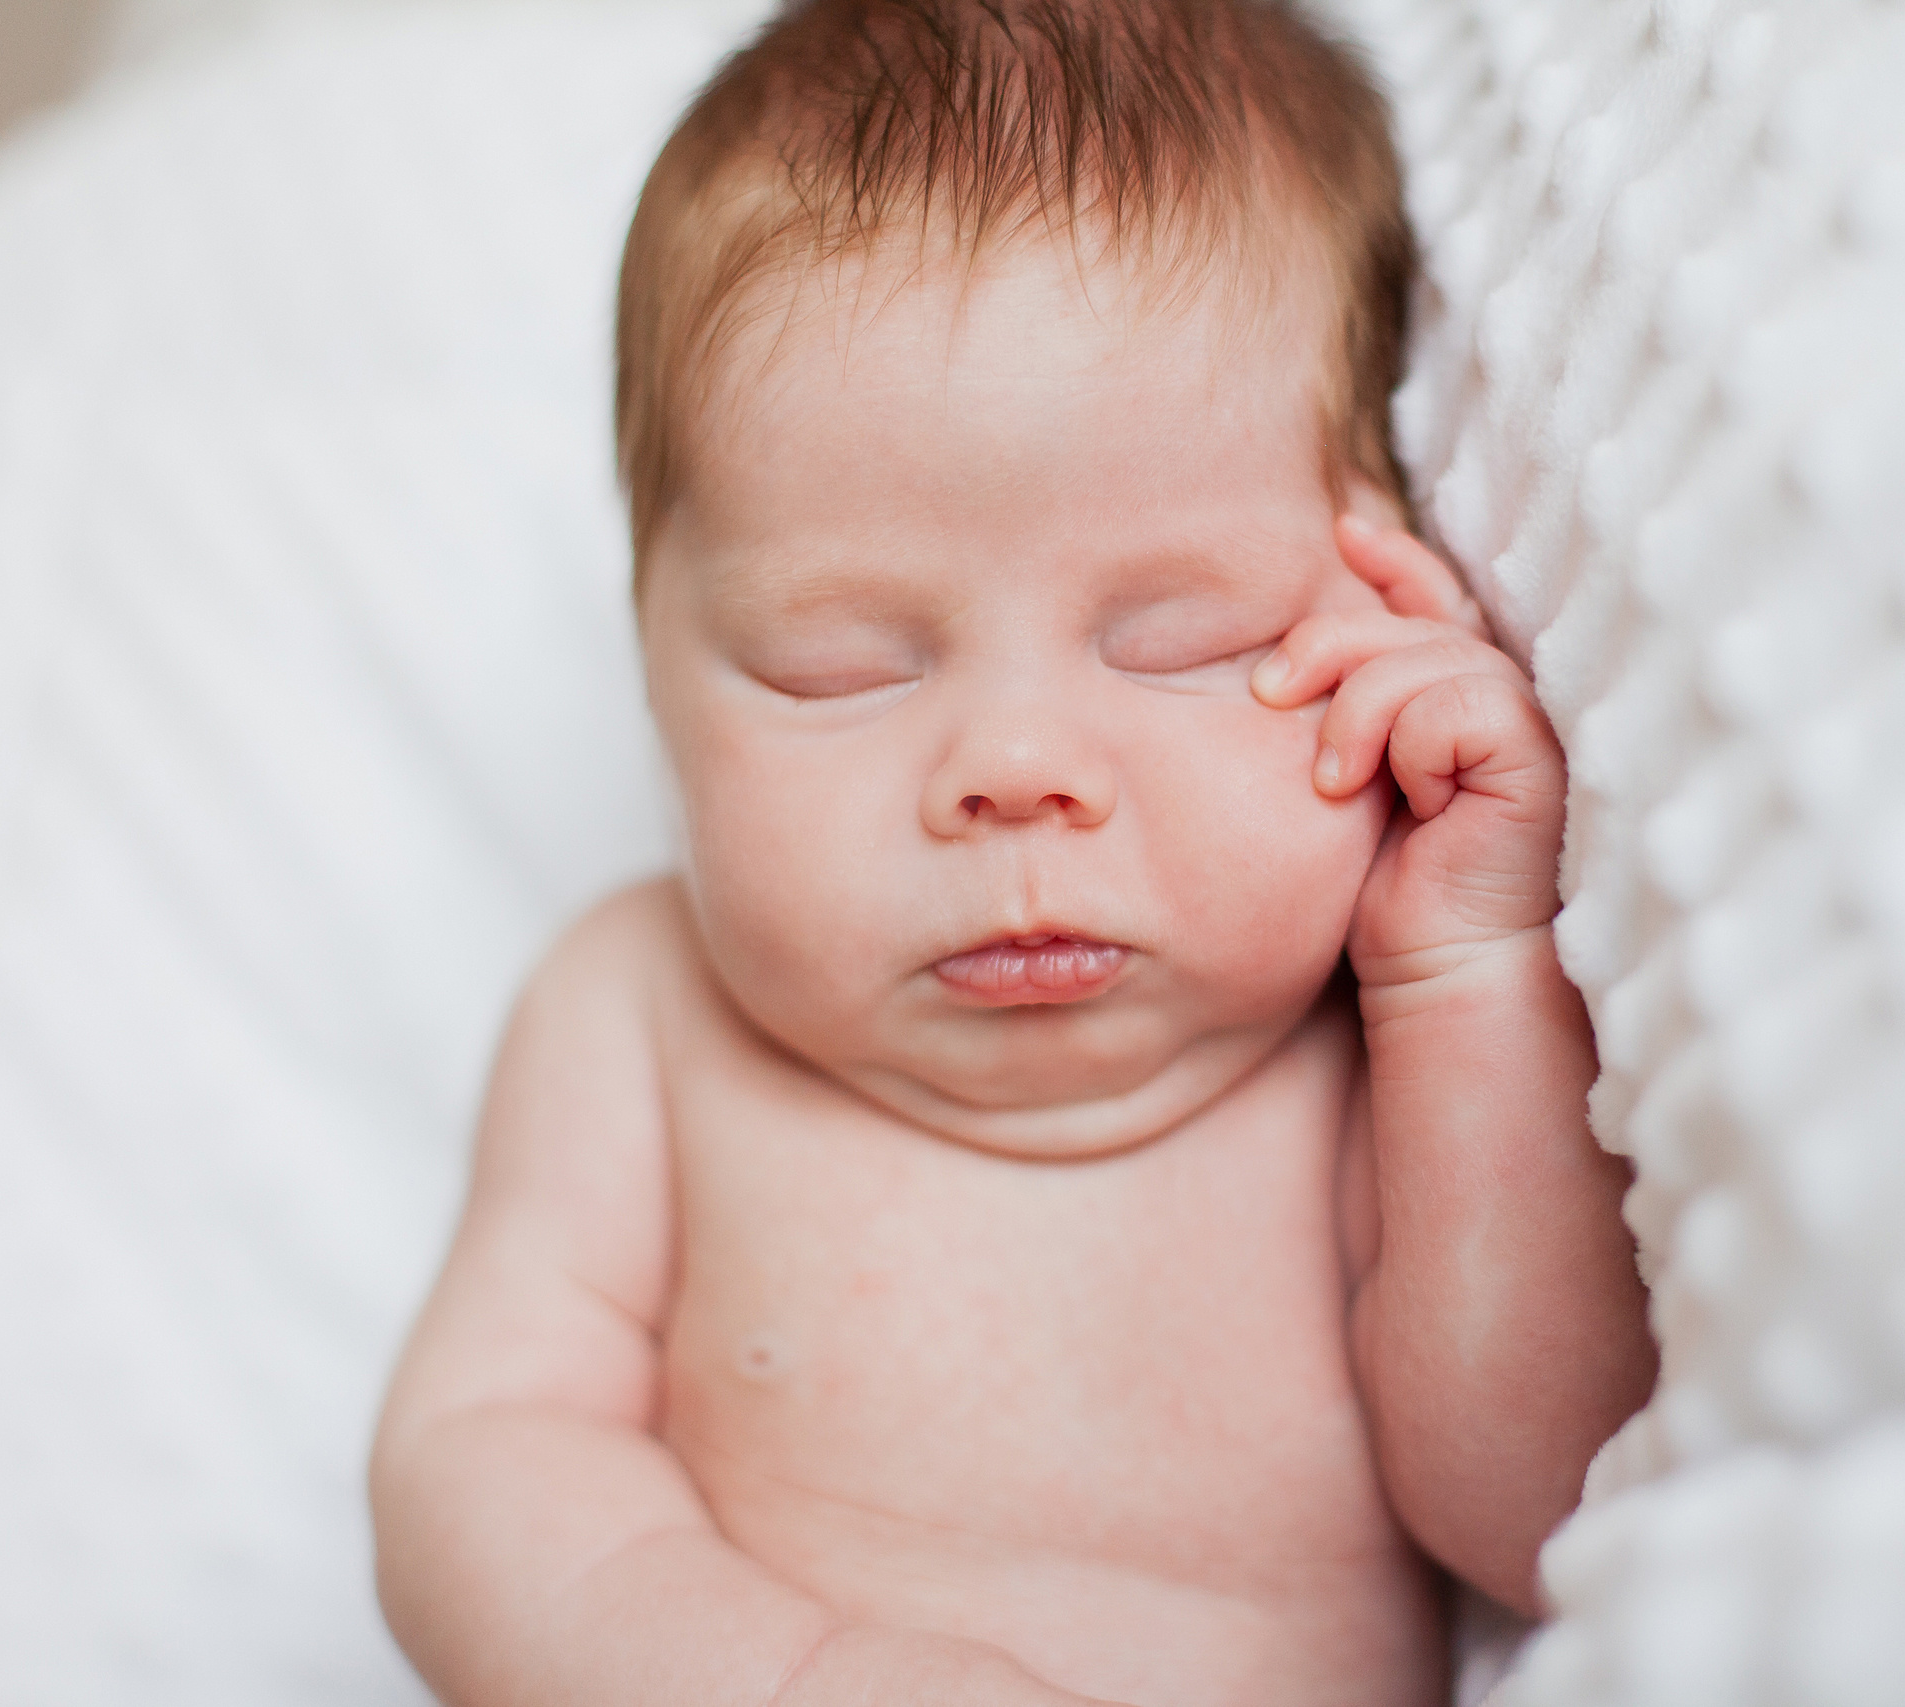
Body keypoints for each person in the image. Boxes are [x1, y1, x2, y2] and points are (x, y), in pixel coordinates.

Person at [370, 2, 1655, 1700]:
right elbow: (477, 1457)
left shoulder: (1361, 1056)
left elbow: (1550, 1515)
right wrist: (792, 1678)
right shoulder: (640, 1015)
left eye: (1186, 639)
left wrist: (1464, 972)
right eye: (838, 665)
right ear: (651, 659)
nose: (1016, 769)